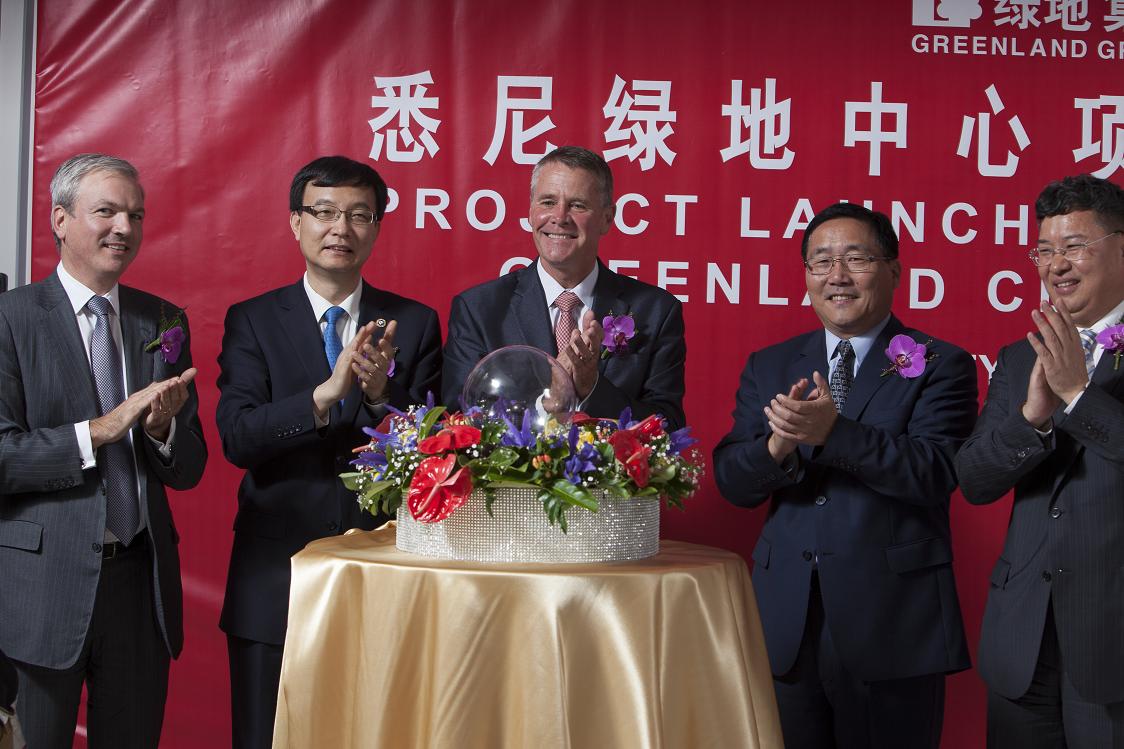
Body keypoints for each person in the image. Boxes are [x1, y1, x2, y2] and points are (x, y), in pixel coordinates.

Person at [712, 203, 977, 748]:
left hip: (892, 624)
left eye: (856, 259)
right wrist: (778, 447)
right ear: (807, 275)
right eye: (821, 261)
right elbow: (734, 484)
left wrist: (835, 433)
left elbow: (936, 472)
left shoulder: (940, 363)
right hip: (787, 623)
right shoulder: (770, 364)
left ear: (893, 271)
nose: (837, 276)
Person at [216, 155, 442, 749]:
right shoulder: (253, 320)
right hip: (274, 579)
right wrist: (323, 397)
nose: (341, 228)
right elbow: (238, 436)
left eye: (359, 215)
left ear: (377, 227)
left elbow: (433, 458)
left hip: (384, 574)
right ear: (297, 222)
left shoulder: (414, 323)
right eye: (324, 212)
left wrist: (379, 396)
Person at [0, 153, 207, 748]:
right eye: (107, 212)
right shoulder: (11, 319)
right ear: (60, 220)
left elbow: (190, 468)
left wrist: (161, 431)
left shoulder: (163, 320)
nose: (124, 227)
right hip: (42, 589)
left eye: (135, 215)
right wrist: (97, 431)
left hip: (139, 586)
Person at [956, 174, 1124, 747]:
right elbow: (974, 480)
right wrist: (1032, 419)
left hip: (1113, 640)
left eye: (1075, 246)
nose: (1056, 265)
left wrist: (1078, 395)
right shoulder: (1017, 357)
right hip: (1022, 635)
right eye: (1044, 250)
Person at [441, 145, 685, 429]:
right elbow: (458, 421)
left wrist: (592, 388)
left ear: (607, 218)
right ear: (531, 212)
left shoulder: (655, 311)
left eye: (578, 205)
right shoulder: (479, 309)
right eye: (547, 202)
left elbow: (667, 425)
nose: (560, 217)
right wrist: (548, 403)